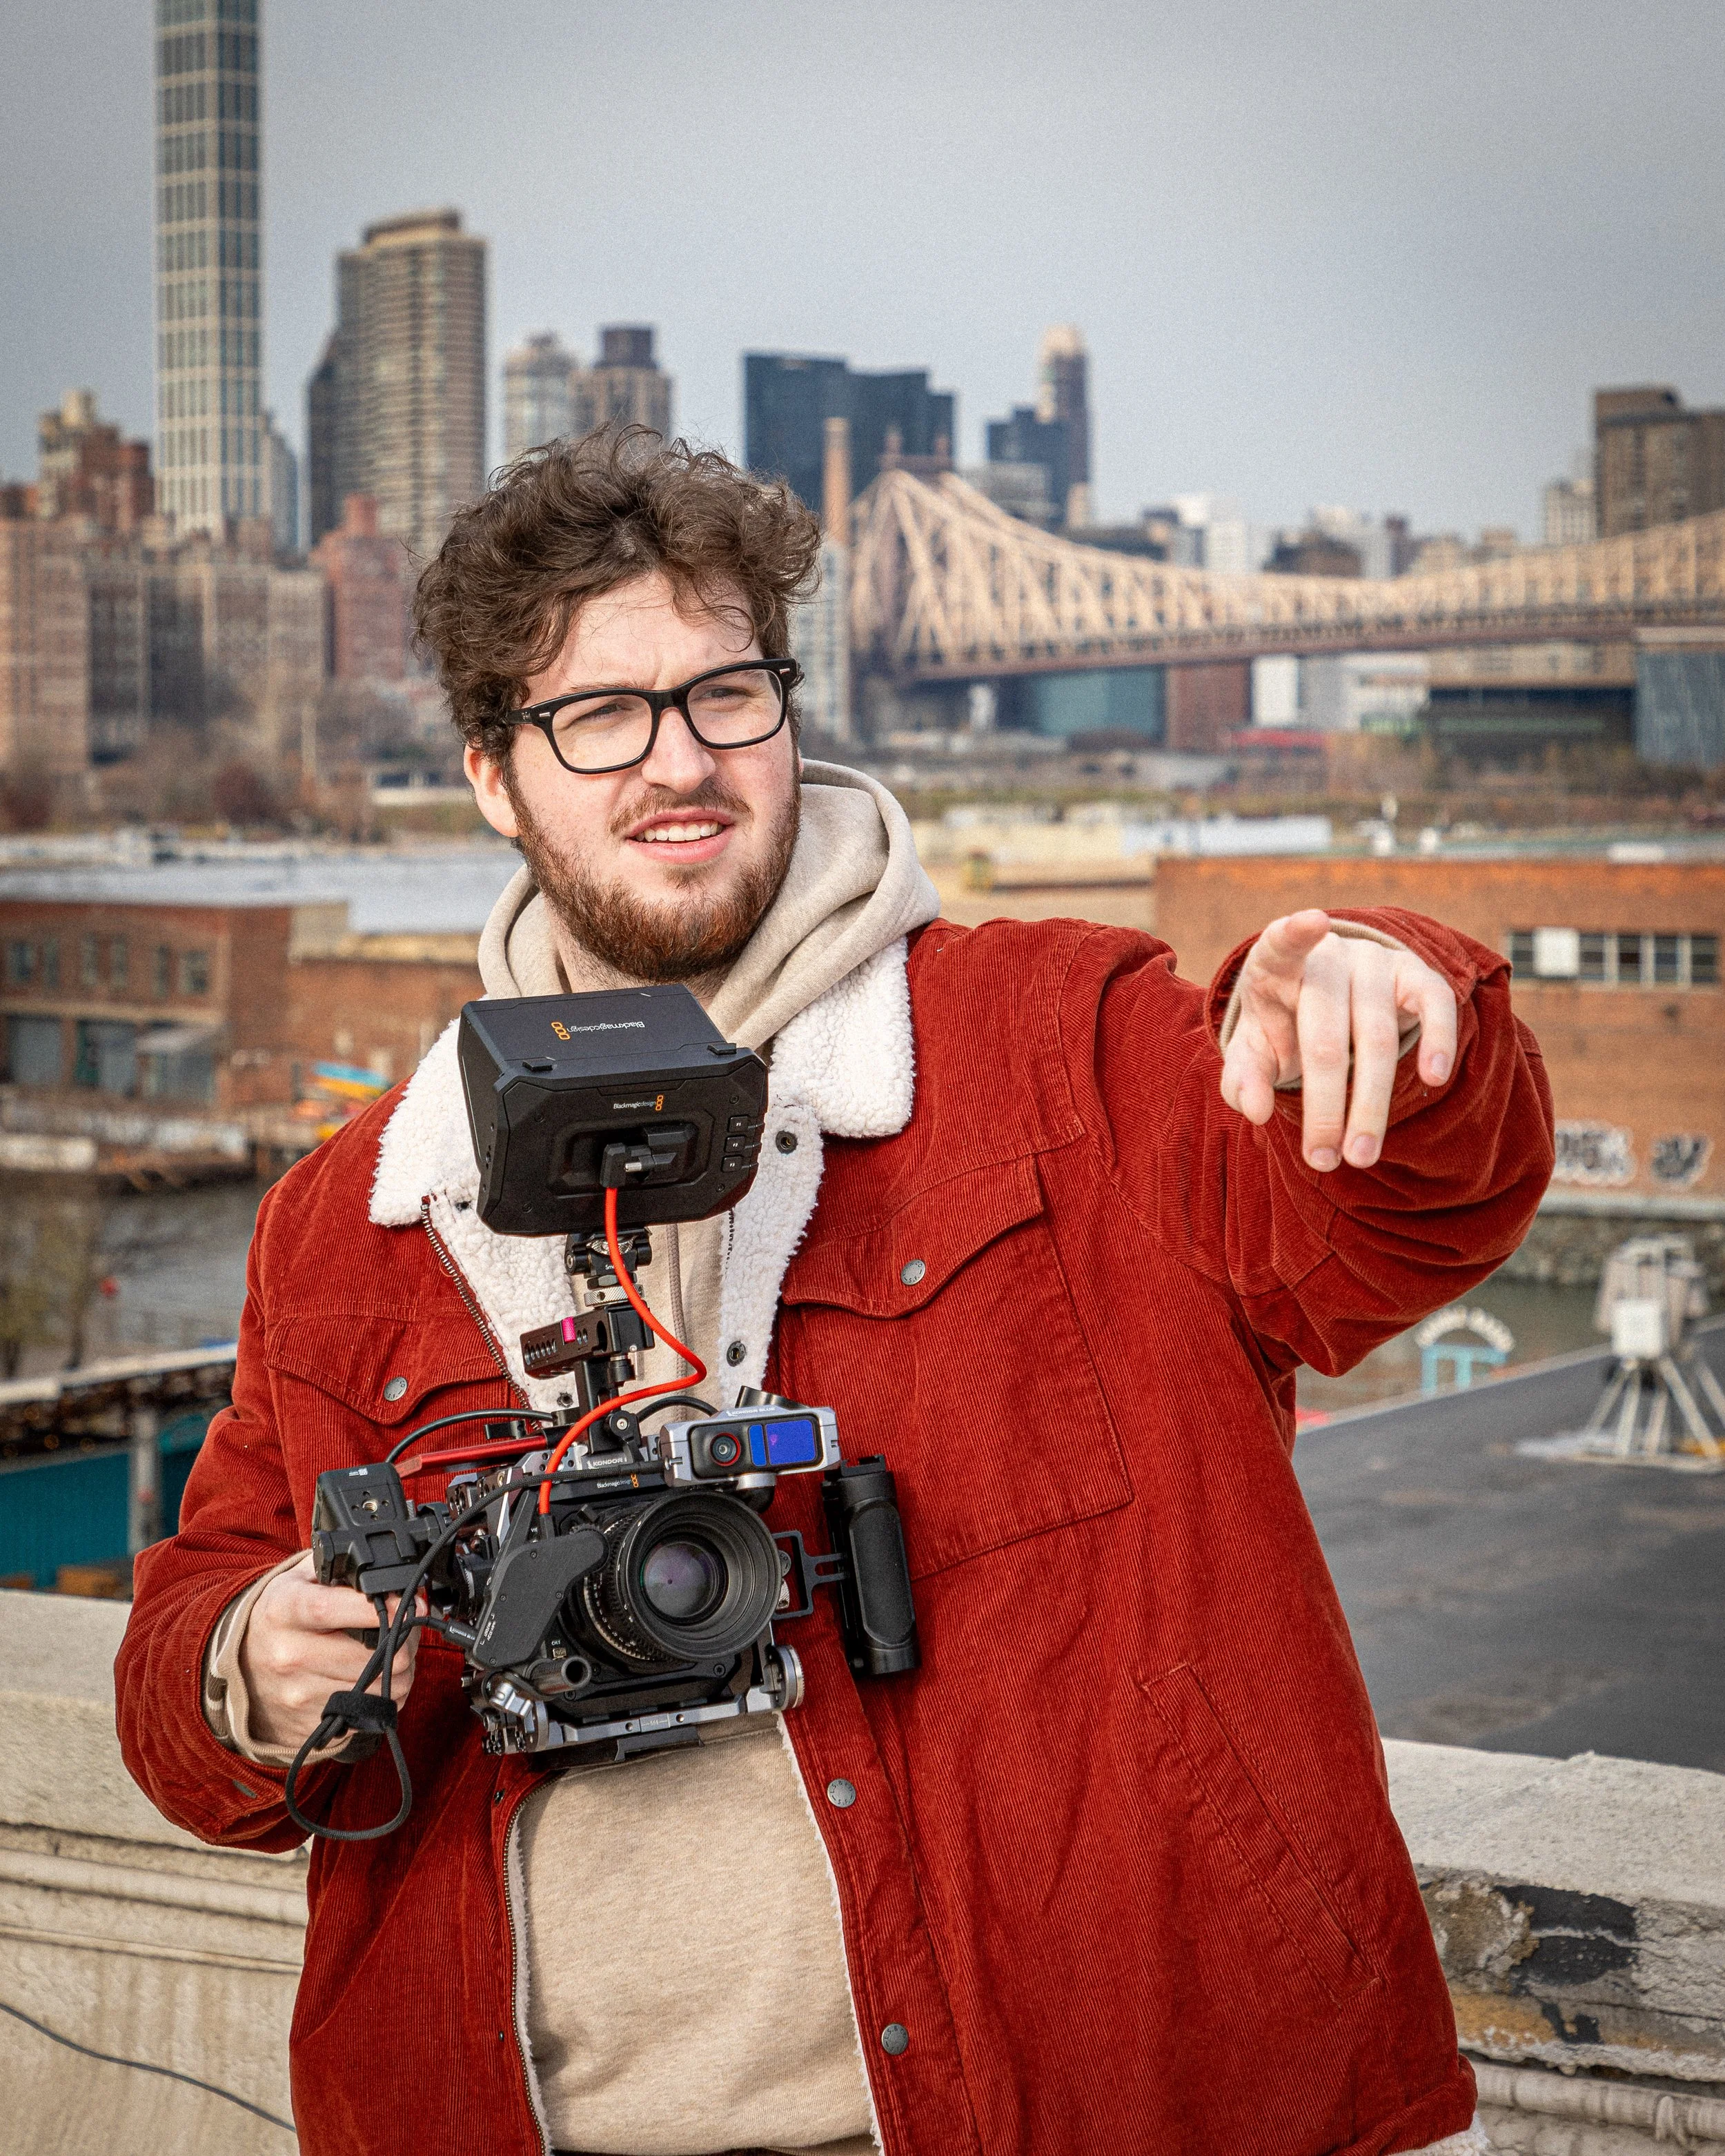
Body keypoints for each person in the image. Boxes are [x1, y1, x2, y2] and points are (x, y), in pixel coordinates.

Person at [117, 428, 1554, 2156]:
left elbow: (1389, 1225)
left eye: (726, 691)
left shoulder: (1060, 1038)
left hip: (1105, 2094)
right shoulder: (344, 1220)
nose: (680, 761)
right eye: (601, 714)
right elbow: (190, 1656)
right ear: (495, 775)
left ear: (787, 706)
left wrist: (1400, 1009)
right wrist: (244, 1666)